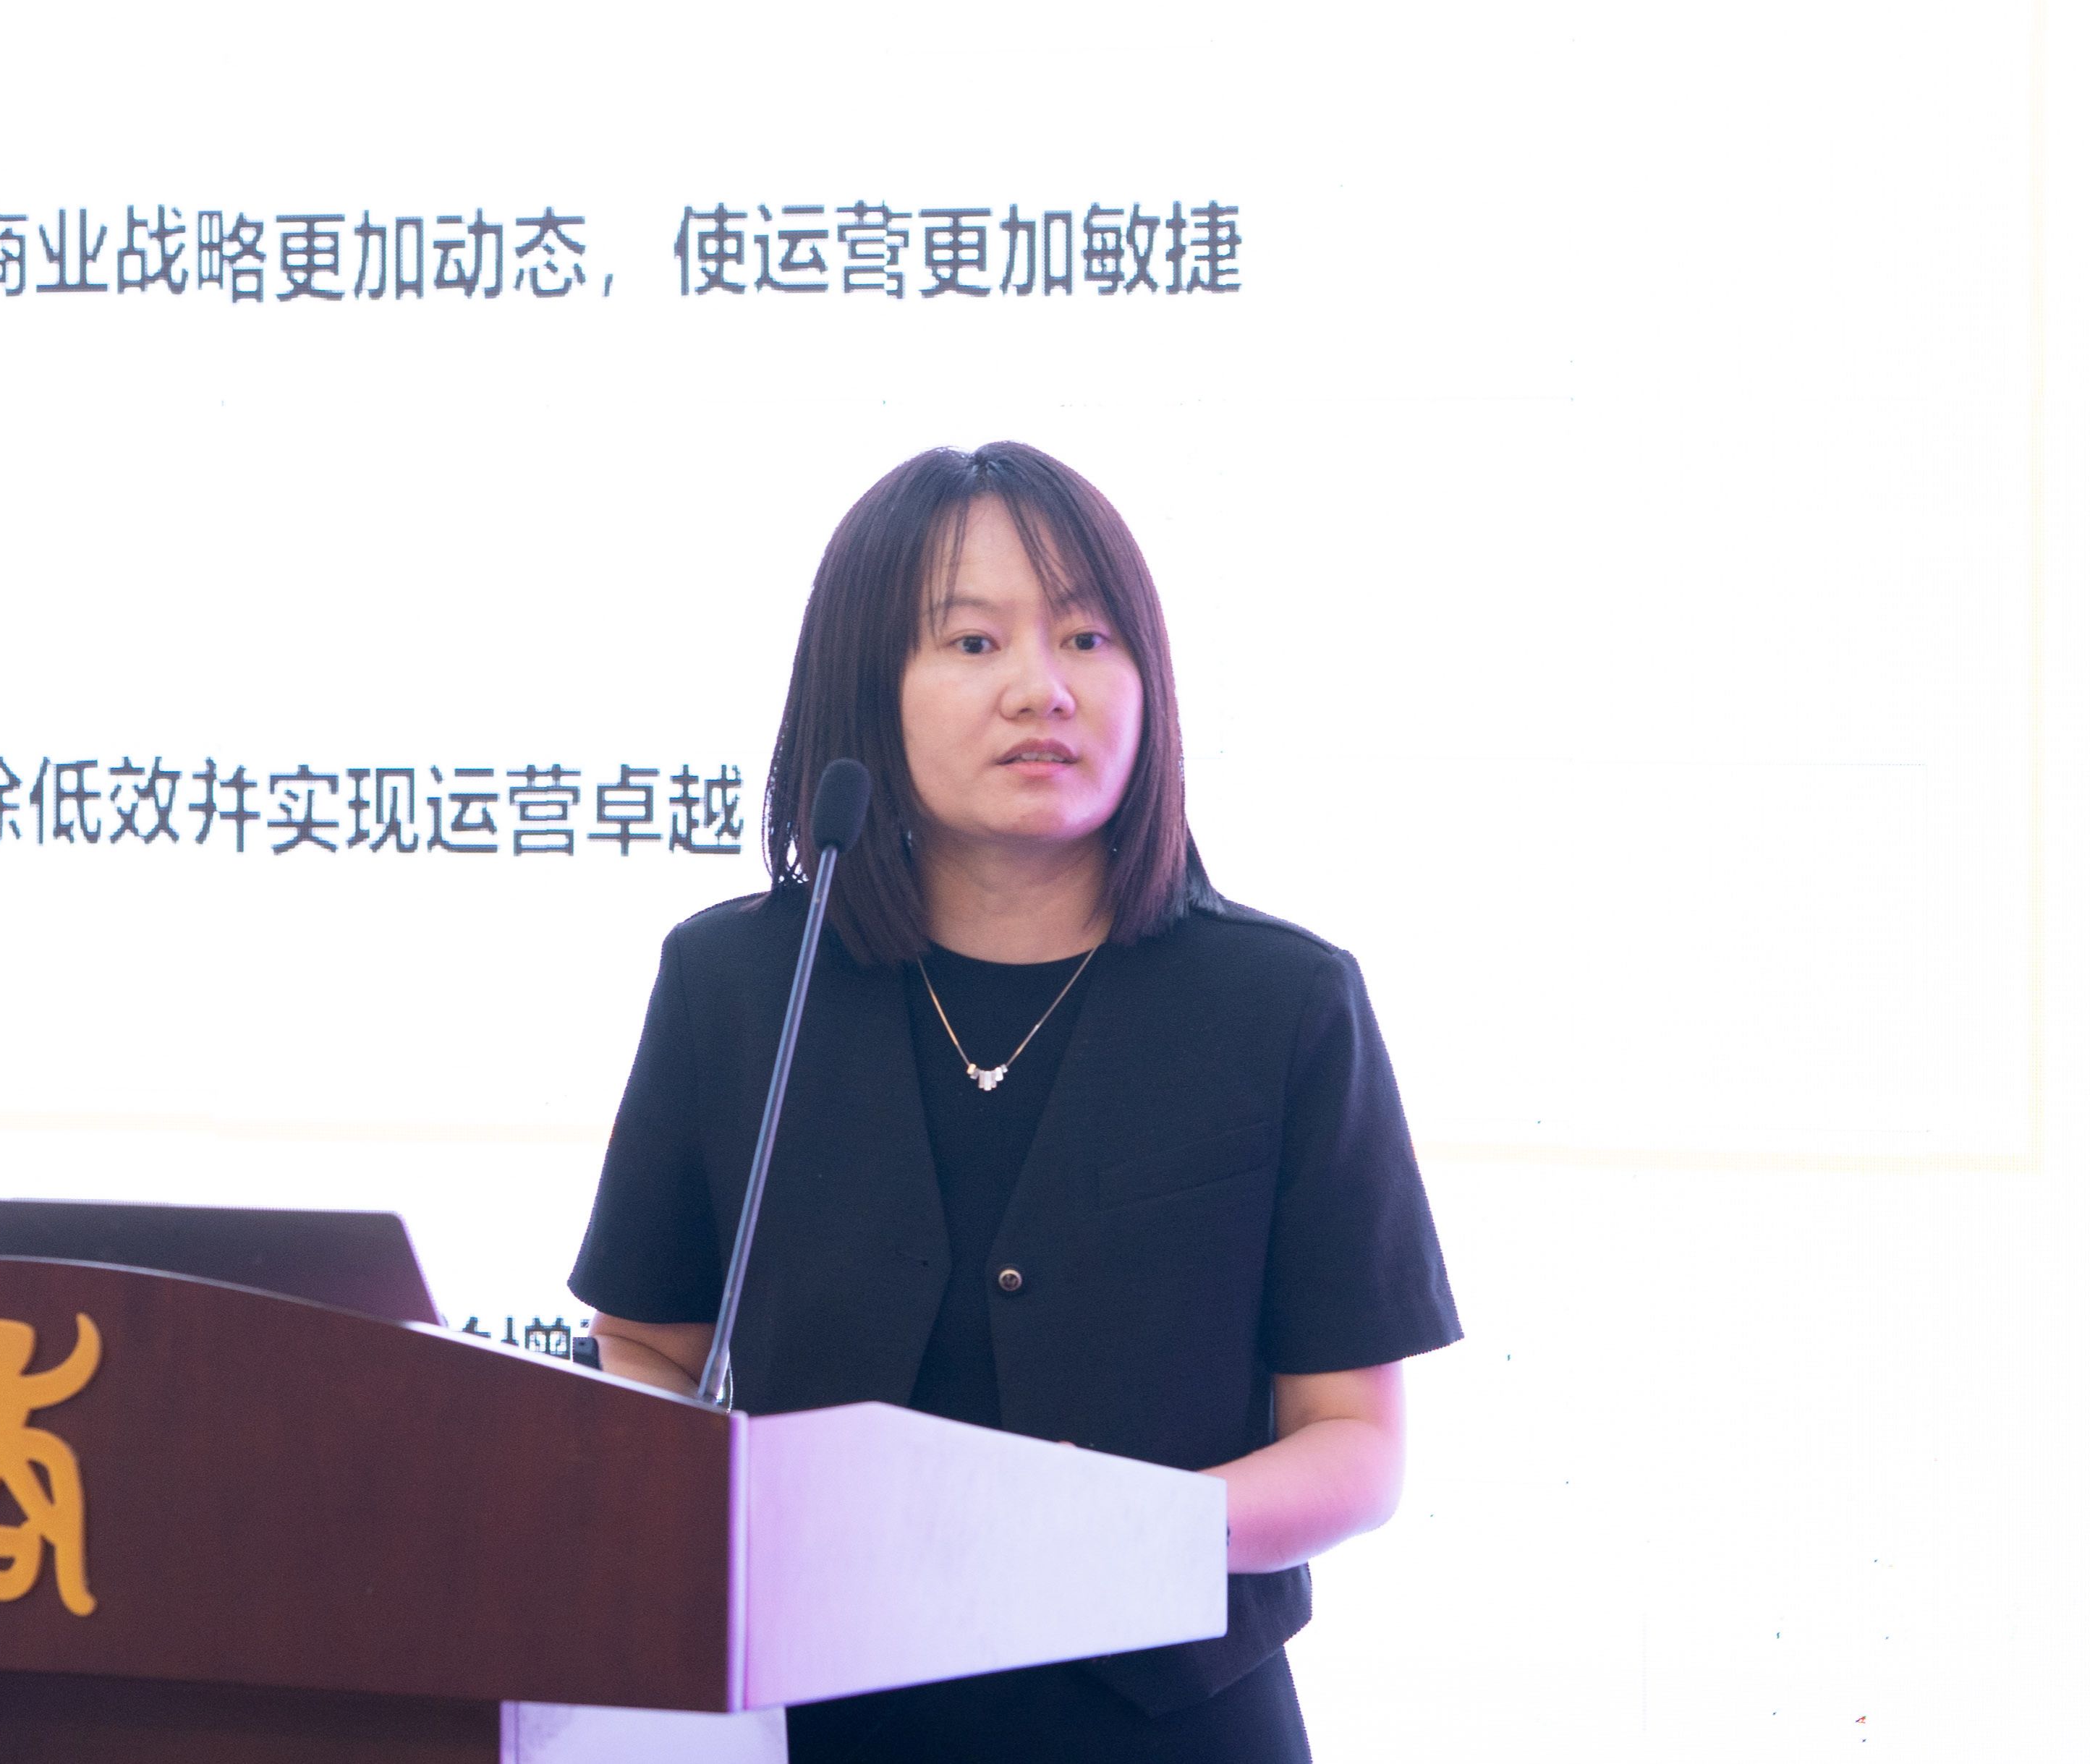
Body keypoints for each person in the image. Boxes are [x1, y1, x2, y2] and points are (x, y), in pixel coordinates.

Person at [569, 442, 1461, 1763]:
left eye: (1088, 637)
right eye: (973, 641)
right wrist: (709, 1504)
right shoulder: (742, 981)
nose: (1043, 688)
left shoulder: (1280, 1000)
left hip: (1171, 1723)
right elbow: (647, 1344)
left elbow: (1352, 1444)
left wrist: (1124, 1533)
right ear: (866, 688)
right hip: (810, 1713)